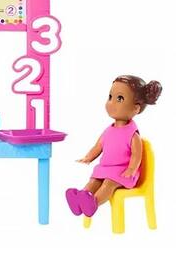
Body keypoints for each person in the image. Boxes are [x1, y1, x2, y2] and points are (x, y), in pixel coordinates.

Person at [65, 74, 162, 217]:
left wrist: (131, 169)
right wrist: (88, 157)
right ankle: (81, 199)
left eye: (120, 99)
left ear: (136, 108)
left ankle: (93, 203)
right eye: (110, 97)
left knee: (108, 183)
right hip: (106, 168)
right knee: (94, 181)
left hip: (122, 172)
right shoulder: (108, 130)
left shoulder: (133, 134)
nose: (111, 103)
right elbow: (98, 147)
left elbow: (137, 155)